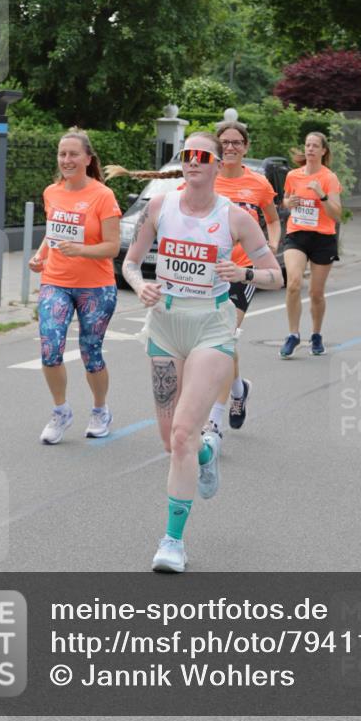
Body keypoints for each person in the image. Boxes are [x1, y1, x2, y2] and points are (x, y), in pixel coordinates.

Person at [122, 132, 282, 572]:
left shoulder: (234, 218)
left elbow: (276, 276)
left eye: (202, 156)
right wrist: (141, 285)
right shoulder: (159, 207)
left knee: (180, 436)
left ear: (216, 165)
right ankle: (207, 452)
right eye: (187, 155)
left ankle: (173, 541)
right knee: (172, 438)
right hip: (165, 325)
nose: (193, 162)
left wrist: (243, 271)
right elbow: (131, 263)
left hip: (212, 324)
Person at [29, 128, 121, 442]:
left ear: (87, 159)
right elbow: (53, 232)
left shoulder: (102, 196)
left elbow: (112, 247)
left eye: (73, 154)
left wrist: (80, 249)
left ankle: (100, 409)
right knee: (50, 348)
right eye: (62, 154)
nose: (66, 160)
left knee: (90, 352)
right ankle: (61, 412)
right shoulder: (52, 192)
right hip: (56, 281)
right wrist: (40, 254)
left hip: (96, 286)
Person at [205, 120, 280, 437]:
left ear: (246, 147)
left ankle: (214, 420)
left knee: (224, 338)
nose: (231, 147)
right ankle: (238, 389)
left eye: (237, 142)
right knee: (219, 342)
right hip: (207, 270)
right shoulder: (206, 179)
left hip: (242, 270)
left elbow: (273, 220)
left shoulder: (259, 184)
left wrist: (271, 248)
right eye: (225, 142)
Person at [279, 132, 342, 358]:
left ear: (323, 151)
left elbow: (337, 215)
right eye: (307, 145)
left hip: (323, 238)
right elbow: (285, 201)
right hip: (297, 234)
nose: (310, 149)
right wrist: (290, 202)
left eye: (315, 146)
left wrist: (322, 195)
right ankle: (293, 335)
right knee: (294, 282)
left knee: (316, 292)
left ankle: (316, 334)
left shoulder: (329, 178)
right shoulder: (293, 175)